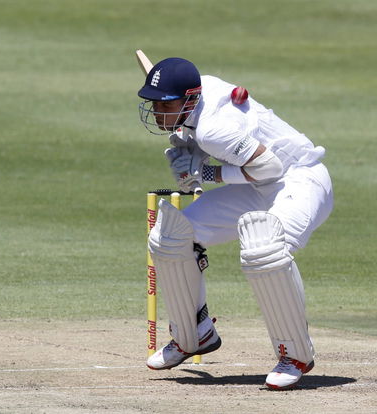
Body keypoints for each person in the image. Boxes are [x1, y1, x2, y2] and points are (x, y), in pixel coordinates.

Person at [137, 57, 333, 390]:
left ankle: (295, 354)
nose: (157, 112)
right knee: (170, 236)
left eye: (163, 104)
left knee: (264, 246)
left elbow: (270, 169)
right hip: (257, 186)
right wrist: (191, 147)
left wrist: (204, 173)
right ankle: (193, 335)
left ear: (188, 98)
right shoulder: (201, 93)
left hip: (300, 181)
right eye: (154, 103)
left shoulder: (214, 128)